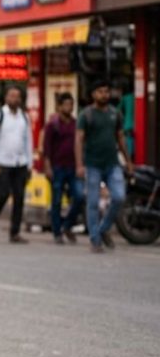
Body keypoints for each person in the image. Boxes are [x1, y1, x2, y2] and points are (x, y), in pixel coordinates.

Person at [76, 81, 132, 253]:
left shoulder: (115, 114)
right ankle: (95, 240)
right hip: (92, 165)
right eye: (100, 92)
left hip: (112, 164)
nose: (104, 95)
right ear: (93, 94)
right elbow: (79, 140)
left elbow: (120, 138)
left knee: (119, 197)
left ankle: (103, 228)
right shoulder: (86, 115)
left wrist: (128, 161)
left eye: (106, 91)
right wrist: (79, 164)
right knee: (92, 203)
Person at [0, 85, 33, 243]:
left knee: (19, 197)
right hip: (2, 162)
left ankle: (15, 232)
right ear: (6, 98)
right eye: (11, 96)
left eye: (17, 96)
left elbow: (29, 141)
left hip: (20, 162)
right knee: (3, 194)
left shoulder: (24, 117)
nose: (14, 99)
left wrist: (30, 164)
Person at [42, 92, 83, 245]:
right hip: (57, 167)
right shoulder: (52, 125)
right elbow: (46, 148)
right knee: (57, 201)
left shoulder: (76, 124)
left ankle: (67, 225)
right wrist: (47, 167)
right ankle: (57, 232)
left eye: (71, 104)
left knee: (79, 196)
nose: (69, 107)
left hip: (73, 167)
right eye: (66, 104)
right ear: (59, 106)